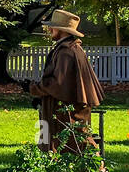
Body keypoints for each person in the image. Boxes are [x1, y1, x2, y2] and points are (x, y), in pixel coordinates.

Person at [22, 9, 104, 154]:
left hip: (66, 112)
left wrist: (33, 88)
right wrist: (41, 98)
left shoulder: (66, 52)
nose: (50, 29)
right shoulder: (69, 49)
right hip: (65, 109)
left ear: (61, 30)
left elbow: (56, 84)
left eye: (53, 26)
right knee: (74, 142)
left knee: (75, 143)